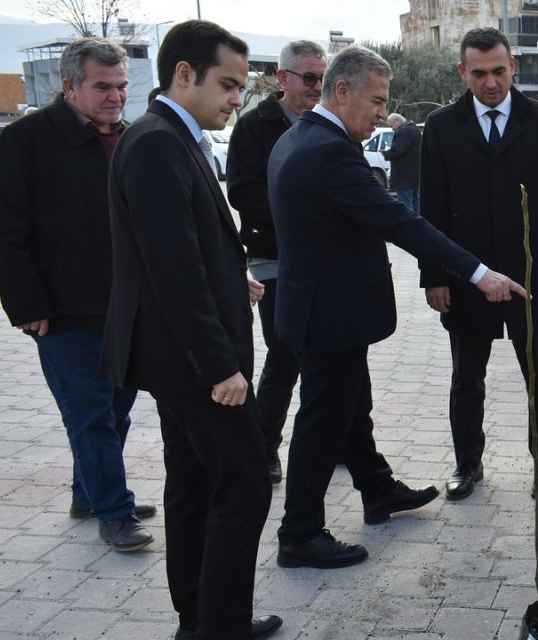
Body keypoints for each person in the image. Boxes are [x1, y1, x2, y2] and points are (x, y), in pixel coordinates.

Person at [268, 44, 525, 569]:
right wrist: (479, 273)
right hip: (329, 315)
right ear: (342, 91)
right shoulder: (328, 151)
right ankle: (299, 532)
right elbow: (400, 222)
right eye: (377, 100)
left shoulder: (298, 137)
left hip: (319, 309)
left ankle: (378, 490)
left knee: (349, 411)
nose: (382, 113)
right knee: (323, 422)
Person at [101, 20, 281, 639]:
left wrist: (236, 282)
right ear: (184, 74)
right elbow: (172, 270)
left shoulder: (171, 136)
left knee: (194, 486)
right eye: (229, 84)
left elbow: (188, 247)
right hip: (195, 365)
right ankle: (220, 626)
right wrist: (220, 367)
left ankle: (199, 619)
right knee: (245, 484)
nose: (238, 98)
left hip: (179, 358)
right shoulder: (156, 143)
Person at [0, 38, 156, 551]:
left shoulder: (130, 137)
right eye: (103, 86)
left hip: (127, 307)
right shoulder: (26, 139)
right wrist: (27, 306)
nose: (116, 96)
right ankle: (114, 512)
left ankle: (90, 490)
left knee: (117, 410)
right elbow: (3, 231)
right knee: (91, 414)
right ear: (69, 86)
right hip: (62, 312)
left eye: (122, 86)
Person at [419, 27, 538, 502]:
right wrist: (433, 275)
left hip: (529, 273)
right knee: (466, 379)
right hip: (464, 275)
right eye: (479, 73)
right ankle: (467, 464)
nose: (490, 82)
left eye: (498, 70)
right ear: (463, 72)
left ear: (512, 66)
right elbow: (430, 209)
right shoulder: (440, 126)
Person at [227, 39, 327, 485]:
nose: (317, 86)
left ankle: (343, 440)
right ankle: (264, 445)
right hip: (275, 261)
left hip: (326, 259)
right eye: (309, 78)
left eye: (323, 78)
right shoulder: (255, 126)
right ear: (284, 78)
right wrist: (300, 206)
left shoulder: (330, 121)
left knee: (338, 355)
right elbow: (241, 192)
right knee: (285, 355)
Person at [381, 112, 421, 212]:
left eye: (391, 125)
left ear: (396, 121)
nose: (391, 128)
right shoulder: (414, 128)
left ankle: (409, 226)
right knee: (415, 202)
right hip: (414, 174)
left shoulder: (405, 131)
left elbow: (398, 149)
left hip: (404, 175)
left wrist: (385, 153)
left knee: (406, 205)